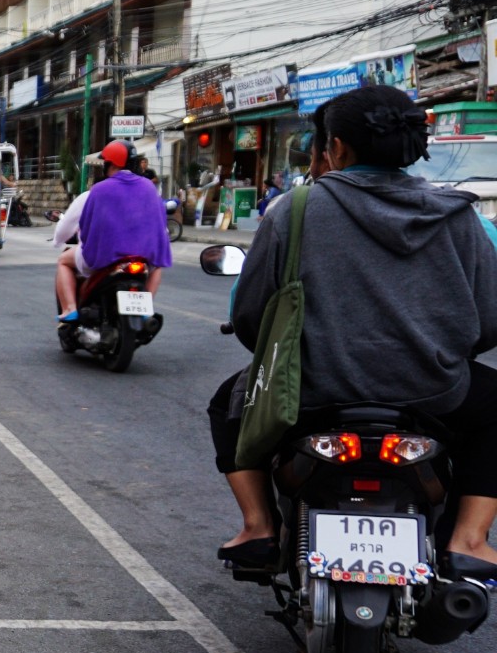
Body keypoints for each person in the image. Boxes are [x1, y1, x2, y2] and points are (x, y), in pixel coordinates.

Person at [209, 85, 497, 574]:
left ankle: (259, 526)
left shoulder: (294, 211)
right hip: (434, 396)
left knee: (229, 402)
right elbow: (489, 322)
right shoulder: (462, 216)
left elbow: (251, 318)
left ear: (336, 148)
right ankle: (469, 539)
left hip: (309, 394)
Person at [52, 139, 171, 319]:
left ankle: (70, 308)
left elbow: (73, 226)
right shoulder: (150, 188)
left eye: (105, 163)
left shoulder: (96, 191)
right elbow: (161, 226)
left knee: (63, 261)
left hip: (104, 257)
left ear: (112, 164)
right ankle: (147, 307)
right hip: (145, 256)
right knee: (157, 266)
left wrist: (57, 241)